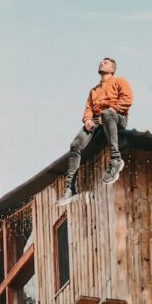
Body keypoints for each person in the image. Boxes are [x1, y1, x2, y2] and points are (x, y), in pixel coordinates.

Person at [56, 57, 133, 205]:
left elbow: (127, 100)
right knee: (75, 145)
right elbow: (88, 109)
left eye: (105, 62)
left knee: (106, 113)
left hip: (117, 116)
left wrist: (111, 110)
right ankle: (70, 189)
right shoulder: (93, 91)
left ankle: (116, 160)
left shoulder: (119, 81)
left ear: (113, 69)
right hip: (98, 120)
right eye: (100, 62)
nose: (101, 63)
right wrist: (88, 120)